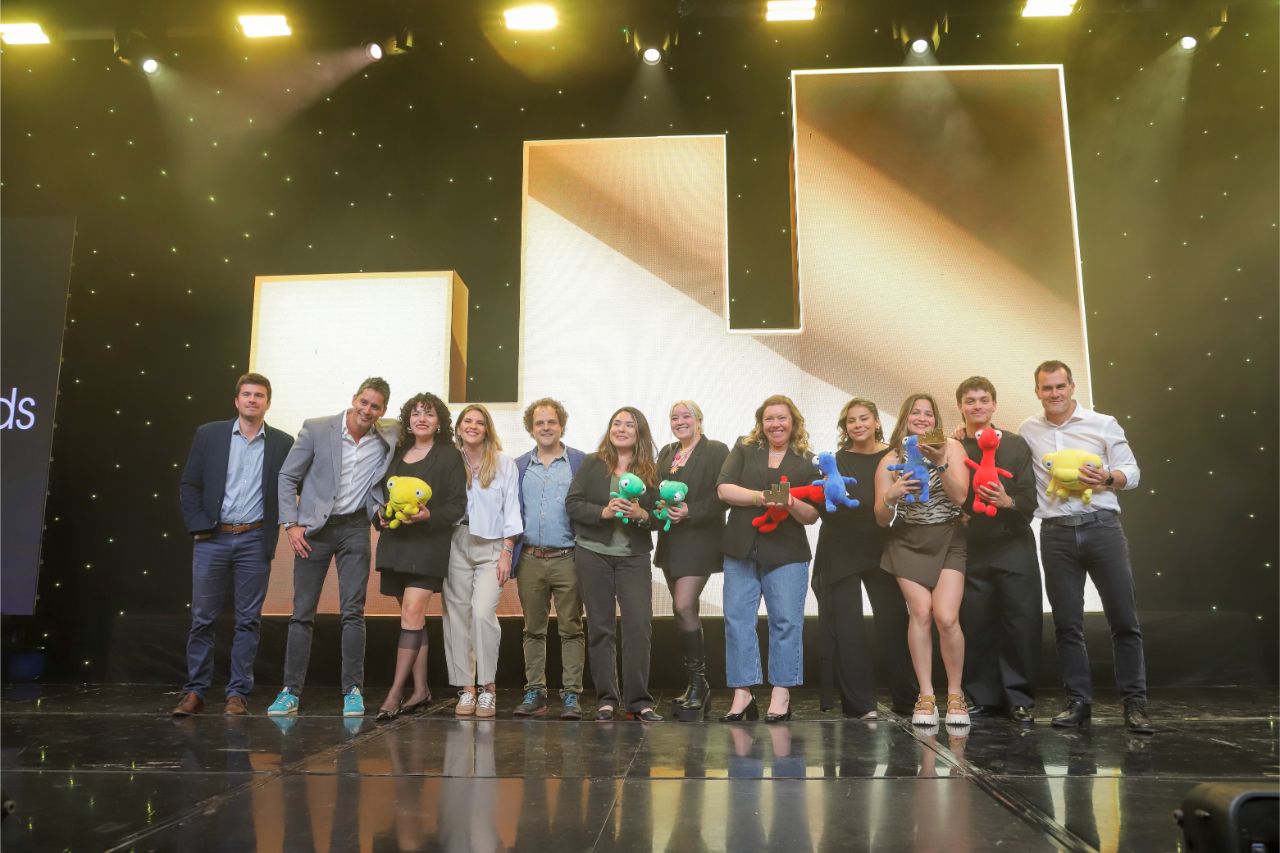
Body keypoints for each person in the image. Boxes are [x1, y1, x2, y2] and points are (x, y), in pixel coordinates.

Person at [1019, 360, 1152, 734]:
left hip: (1102, 528)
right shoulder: (1028, 430)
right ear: (1037, 392)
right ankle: (1078, 703)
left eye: (1060, 386)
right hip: (1056, 534)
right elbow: (999, 448)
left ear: (1072, 387)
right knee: (1067, 625)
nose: (1054, 393)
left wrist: (1108, 478)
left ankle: (1135, 704)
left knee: (1124, 620)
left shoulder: (1103, 423)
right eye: (1047, 388)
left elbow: (1132, 472)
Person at [269, 378, 399, 718]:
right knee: (302, 612)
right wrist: (291, 524)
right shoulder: (316, 428)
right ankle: (290, 691)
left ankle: (353, 691)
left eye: (375, 406)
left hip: (355, 528)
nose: (367, 410)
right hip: (314, 530)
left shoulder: (387, 436)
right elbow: (287, 477)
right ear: (354, 398)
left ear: (383, 411)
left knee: (353, 612)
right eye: (364, 402)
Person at [174, 373, 294, 716]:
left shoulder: (283, 443)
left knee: (248, 621)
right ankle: (195, 691)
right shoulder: (209, 434)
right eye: (247, 394)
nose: (252, 400)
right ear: (236, 400)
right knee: (202, 619)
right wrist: (199, 526)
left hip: (254, 538)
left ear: (268, 402)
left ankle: (237, 694)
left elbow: (292, 486)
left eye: (259, 395)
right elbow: (190, 484)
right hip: (212, 538)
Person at [716, 394, 820, 723]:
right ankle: (742, 693)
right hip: (741, 549)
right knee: (737, 622)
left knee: (786, 622)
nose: (775, 424)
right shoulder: (744, 448)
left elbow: (811, 515)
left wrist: (790, 502)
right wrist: (761, 498)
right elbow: (724, 489)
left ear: (794, 422)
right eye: (769, 418)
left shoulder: (808, 461)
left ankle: (781, 692)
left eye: (782, 418)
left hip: (788, 553)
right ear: (761, 423)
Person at [811, 398, 915, 720]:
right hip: (839, 547)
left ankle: (909, 699)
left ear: (877, 422)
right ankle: (861, 705)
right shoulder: (834, 461)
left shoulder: (894, 456)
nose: (857, 425)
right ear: (845, 427)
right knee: (848, 628)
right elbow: (823, 506)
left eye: (864, 418)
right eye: (851, 420)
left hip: (881, 545)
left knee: (894, 621)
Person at [873, 393, 970, 728]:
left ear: (936, 420)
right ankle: (926, 695)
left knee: (946, 617)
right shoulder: (890, 458)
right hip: (907, 541)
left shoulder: (952, 447)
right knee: (921, 612)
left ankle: (955, 694)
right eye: (916, 412)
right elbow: (881, 519)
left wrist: (941, 462)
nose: (923, 418)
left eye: (929, 414)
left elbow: (960, 497)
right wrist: (891, 495)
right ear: (905, 417)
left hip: (948, 537)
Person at [370, 393, 467, 721]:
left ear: (439, 422)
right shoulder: (397, 453)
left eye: (429, 413)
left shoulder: (449, 456)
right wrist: (380, 517)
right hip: (396, 544)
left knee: (412, 612)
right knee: (412, 619)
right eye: (415, 413)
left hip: (428, 545)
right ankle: (421, 689)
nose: (421, 419)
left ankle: (394, 693)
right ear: (408, 421)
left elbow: (457, 505)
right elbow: (383, 496)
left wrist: (428, 516)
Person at [952, 377, 1041, 725]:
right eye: (970, 400)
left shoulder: (1016, 444)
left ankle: (1019, 699)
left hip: (1013, 543)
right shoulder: (953, 446)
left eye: (983, 400)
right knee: (977, 623)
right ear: (960, 406)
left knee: (1021, 622)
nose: (977, 406)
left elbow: (1029, 496)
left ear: (994, 405)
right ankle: (983, 697)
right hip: (971, 547)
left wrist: (1007, 501)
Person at [565, 406, 662, 721]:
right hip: (592, 554)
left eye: (629, 425)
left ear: (639, 432)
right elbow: (573, 504)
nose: (621, 429)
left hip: (634, 557)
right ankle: (606, 700)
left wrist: (642, 515)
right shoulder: (593, 463)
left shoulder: (651, 470)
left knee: (639, 627)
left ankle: (639, 702)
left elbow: (660, 514)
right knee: (600, 627)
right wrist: (603, 512)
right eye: (616, 423)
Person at [445, 403, 522, 719]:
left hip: (492, 547)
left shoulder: (503, 463)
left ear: (487, 429)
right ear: (459, 427)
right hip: (455, 542)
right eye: (468, 421)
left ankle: (488, 688)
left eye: (479, 422)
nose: (473, 426)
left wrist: (507, 551)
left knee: (481, 614)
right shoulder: (450, 460)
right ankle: (467, 689)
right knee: (457, 617)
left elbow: (512, 509)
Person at [511, 398, 587, 720]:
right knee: (533, 629)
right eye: (539, 423)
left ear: (561, 425)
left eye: (551, 422)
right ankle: (535, 692)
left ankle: (571, 695)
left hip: (568, 557)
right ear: (531, 428)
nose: (545, 427)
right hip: (530, 558)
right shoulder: (518, 466)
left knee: (571, 628)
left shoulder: (580, 463)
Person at [653, 400, 729, 719]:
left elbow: (723, 495)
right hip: (671, 541)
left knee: (683, 605)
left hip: (700, 540)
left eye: (686, 416)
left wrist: (690, 511)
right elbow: (657, 492)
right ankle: (696, 685)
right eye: (674, 417)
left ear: (699, 419)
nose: (680, 421)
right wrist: (657, 507)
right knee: (684, 611)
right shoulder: (667, 452)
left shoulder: (716, 450)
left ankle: (700, 683)